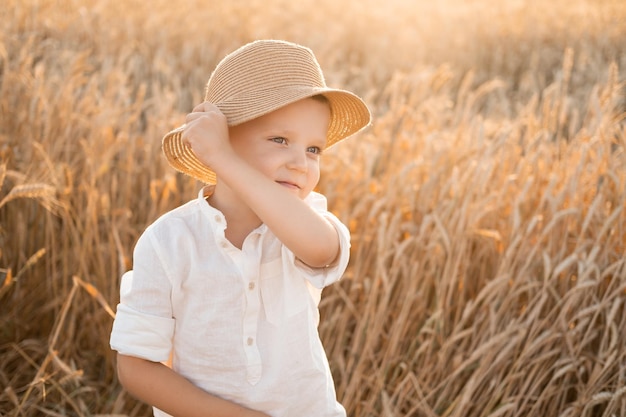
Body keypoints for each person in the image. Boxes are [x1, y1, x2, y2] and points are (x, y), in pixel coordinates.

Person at [110, 39, 371, 417]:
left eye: (314, 149)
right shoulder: (169, 240)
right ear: (223, 139)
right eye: (280, 140)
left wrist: (226, 160)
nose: (301, 163)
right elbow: (135, 368)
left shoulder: (304, 221)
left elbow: (321, 250)